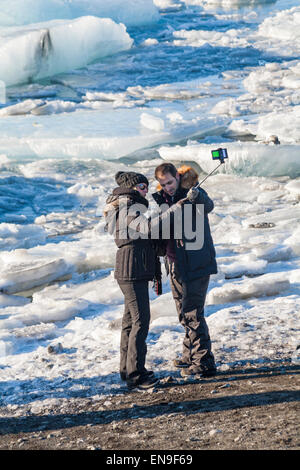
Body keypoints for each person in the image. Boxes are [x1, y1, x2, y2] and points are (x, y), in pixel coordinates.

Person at [104, 170, 181, 390]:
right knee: (141, 321)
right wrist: (174, 209)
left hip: (131, 270)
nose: (145, 190)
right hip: (131, 271)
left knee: (130, 322)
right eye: (141, 187)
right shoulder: (128, 207)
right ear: (131, 188)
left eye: (146, 186)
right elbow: (145, 228)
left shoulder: (127, 206)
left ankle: (127, 370)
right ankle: (137, 375)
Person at [152, 163, 217, 377]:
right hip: (174, 262)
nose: (167, 187)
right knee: (183, 312)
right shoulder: (164, 198)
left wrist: (196, 196)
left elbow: (208, 205)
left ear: (178, 177)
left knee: (193, 312)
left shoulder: (194, 191)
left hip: (196, 261)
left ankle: (204, 361)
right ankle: (189, 354)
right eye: (163, 184)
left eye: (170, 182)